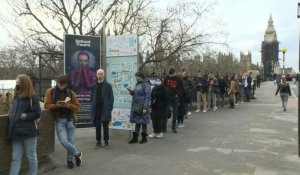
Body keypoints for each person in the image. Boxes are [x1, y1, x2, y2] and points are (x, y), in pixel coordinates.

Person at [44, 74, 82, 169]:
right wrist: (57, 105)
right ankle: (77, 154)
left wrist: (69, 106)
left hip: (70, 119)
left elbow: (77, 107)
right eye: (60, 84)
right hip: (59, 120)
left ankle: (70, 160)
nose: (62, 86)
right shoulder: (51, 91)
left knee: (71, 141)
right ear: (57, 82)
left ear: (66, 84)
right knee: (63, 141)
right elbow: (46, 105)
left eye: (63, 84)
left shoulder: (71, 93)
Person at [8, 74, 41, 175]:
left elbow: (37, 113)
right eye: (16, 82)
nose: (17, 84)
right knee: (15, 158)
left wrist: (26, 116)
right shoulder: (16, 95)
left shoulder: (33, 96)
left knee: (31, 157)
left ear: (25, 83)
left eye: (19, 82)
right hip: (16, 132)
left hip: (29, 132)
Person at [90, 69, 114, 148]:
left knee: (105, 126)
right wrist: (92, 105)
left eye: (101, 74)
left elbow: (111, 98)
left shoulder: (108, 86)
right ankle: (98, 142)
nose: (99, 75)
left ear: (104, 75)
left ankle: (106, 142)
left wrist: (109, 108)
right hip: (96, 109)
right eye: (98, 74)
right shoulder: (93, 86)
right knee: (97, 126)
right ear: (96, 75)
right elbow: (91, 97)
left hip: (105, 109)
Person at [128, 72, 151, 144]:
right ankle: (135, 138)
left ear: (141, 77)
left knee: (143, 122)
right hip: (136, 106)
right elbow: (136, 94)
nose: (136, 78)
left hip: (142, 107)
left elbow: (147, 97)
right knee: (137, 122)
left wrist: (145, 107)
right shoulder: (137, 84)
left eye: (137, 77)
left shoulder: (146, 84)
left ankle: (144, 138)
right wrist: (132, 92)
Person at [164, 67, 184, 133]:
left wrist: (177, 94)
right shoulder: (166, 77)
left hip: (175, 97)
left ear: (174, 73)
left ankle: (173, 127)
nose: (171, 76)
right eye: (170, 75)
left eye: (172, 75)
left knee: (175, 112)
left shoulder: (178, 78)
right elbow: (164, 86)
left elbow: (182, 88)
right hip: (167, 96)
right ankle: (164, 127)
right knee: (166, 112)